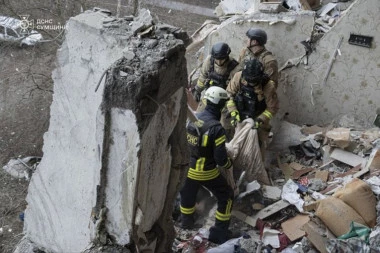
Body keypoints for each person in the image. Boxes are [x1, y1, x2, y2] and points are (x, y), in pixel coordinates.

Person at [180, 86, 234, 244]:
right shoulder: (217, 128)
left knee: (187, 194)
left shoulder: (192, 120)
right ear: (221, 105)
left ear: (206, 101)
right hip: (206, 172)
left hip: (189, 170)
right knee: (227, 196)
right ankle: (219, 233)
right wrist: (229, 163)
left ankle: (186, 223)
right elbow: (220, 160)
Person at [226, 59, 279, 159]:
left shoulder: (268, 85)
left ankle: (259, 169)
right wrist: (233, 112)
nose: (251, 83)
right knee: (238, 144)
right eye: (249, 80)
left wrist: (261, 119)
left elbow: (273, 107)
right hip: (241, 115)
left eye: (254, 81)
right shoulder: (239, 77)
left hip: (258, 118)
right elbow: (229, 95)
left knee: (258, 147)